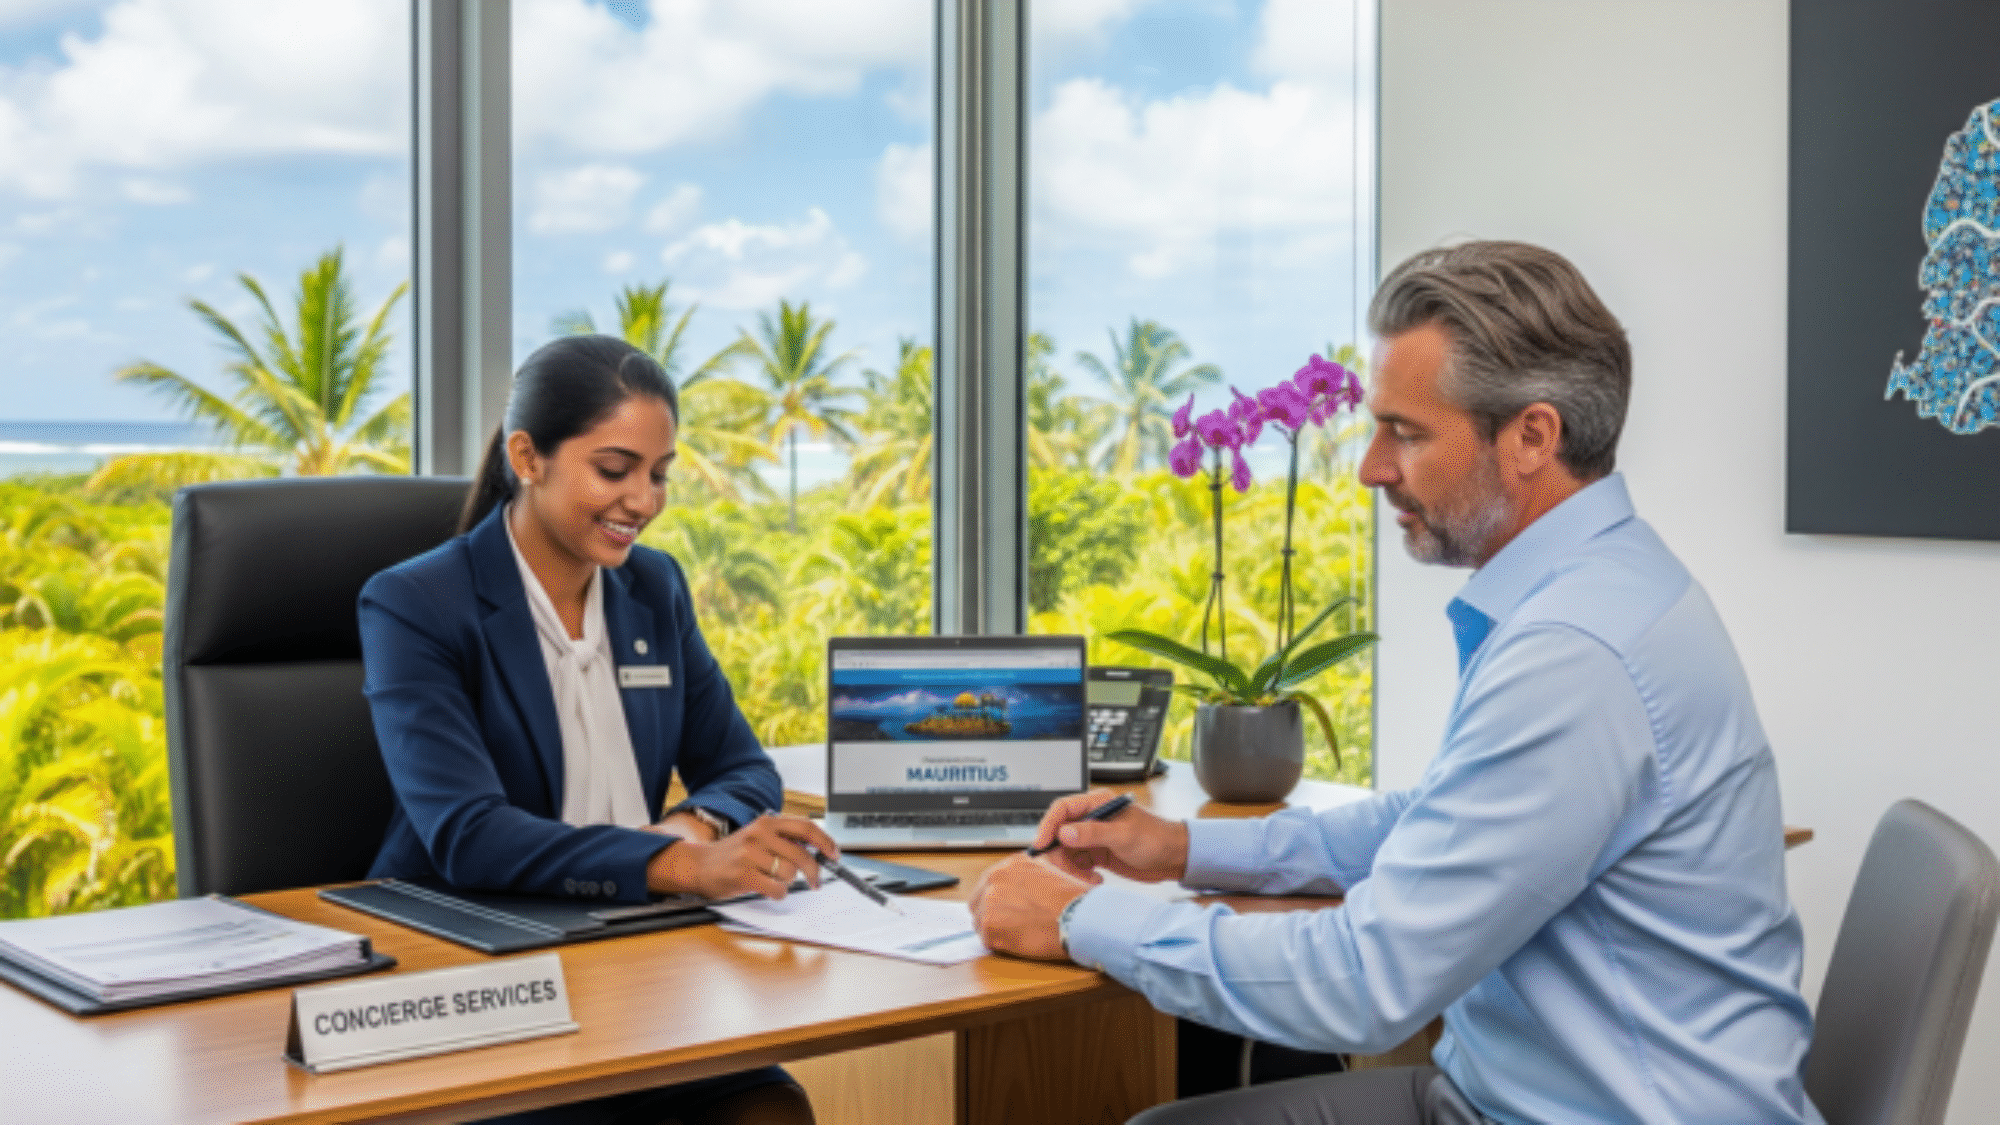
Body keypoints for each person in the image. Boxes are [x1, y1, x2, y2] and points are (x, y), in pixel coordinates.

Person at [969, 241, 1822, 1124]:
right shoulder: (1609, 585)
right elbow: (1435, 822)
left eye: (1406, 432)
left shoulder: (1576, 652)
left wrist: (1078, 920)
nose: (1373, 466)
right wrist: (1185, 850)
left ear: (1533, 435)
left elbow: (1366, 982)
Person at [359, 334, 830, 1125]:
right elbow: (469, 834)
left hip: (632, 954)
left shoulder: (653, 587)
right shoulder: (416, 604)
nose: (642, 500)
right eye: (614, 470)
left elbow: (744, 769)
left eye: (659, 474)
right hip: (477, 965)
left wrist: (690, 824)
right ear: (527, 455)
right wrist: (678, 863)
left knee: (767, 1108)